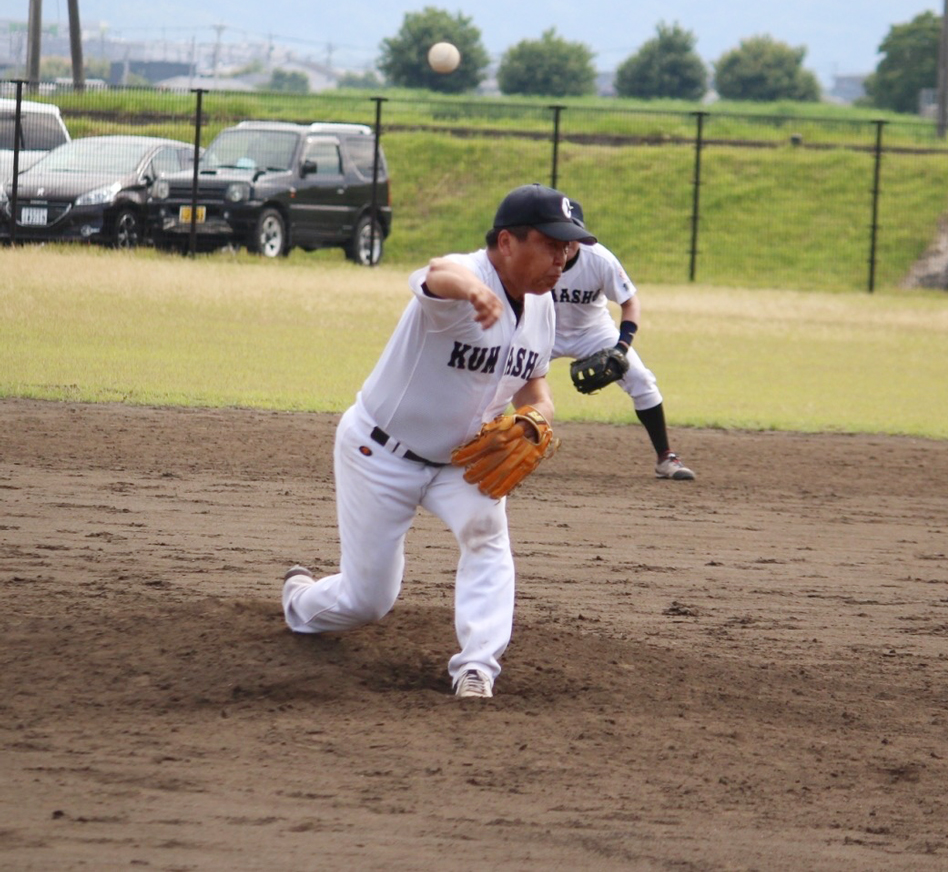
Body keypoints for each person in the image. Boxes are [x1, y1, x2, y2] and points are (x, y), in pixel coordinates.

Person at [280, 183, 595, 700]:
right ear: (508, 243)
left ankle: (477, 667)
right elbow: (435, 275)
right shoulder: (466, 275)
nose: (563, 257)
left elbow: (534, 382)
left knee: (486, 534)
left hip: (462, 462)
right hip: (381, 454)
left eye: (568, 247)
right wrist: (472, 292)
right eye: (552, 243)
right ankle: (300, 602)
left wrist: (537, 414)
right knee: (368, 601)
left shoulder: (542, 306)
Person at [550, 203, 696, 481]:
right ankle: (476, 449)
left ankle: (666, 457)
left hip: (592, 331)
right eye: (560, 234)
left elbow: (630, 303)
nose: (567, 242)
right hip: (543, 331)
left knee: (641, 379)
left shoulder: (600, 259)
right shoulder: (537, 258)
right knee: (503, 380)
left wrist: (621, 347)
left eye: (572, 234)